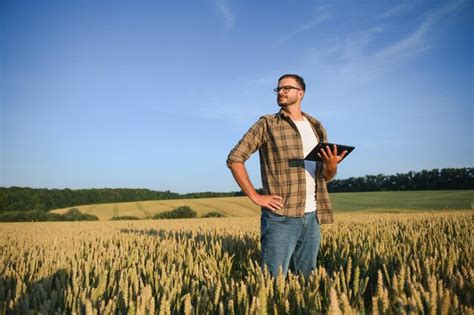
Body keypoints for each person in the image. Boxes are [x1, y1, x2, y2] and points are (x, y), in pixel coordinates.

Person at [226, 74, 346, 278]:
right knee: (273, 279)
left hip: (313, 215)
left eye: (286, 88)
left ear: (300, 93)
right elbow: (235, 158)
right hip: (281, 216)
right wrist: (255, 196)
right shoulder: (267, 124)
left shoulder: (316, 127)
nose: (280, 92)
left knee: (308, 278)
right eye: (278, 89)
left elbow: (325, 177)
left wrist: (332, 166)